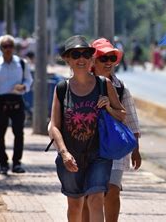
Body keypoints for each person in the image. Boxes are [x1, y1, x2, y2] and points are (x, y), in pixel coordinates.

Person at [48, 35, 126, 221]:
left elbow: (122, 115)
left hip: (99, 154)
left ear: (91, 57)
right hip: (71, 155)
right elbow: (54, 126)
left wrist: (108, 106)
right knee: (75, 205)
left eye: (85, 54)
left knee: (96, 199)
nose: (81, 59)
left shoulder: (103, 84)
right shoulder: (62, 89)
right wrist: (64, 153)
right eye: (76, 55)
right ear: (68, 59)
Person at [84, 38, 142, 222]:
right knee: (88, 195)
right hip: (88, 147)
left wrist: (136, 150)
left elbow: (130, 119)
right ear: (93, 60)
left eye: (112, 58)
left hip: (114, 147)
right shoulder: (81, 85)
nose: (108, 62)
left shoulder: (120, 88)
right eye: (103, 58)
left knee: (112, 189)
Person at [0, 34, 33, 175]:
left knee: (19, 133)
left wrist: (24, 87)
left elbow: (29, 80)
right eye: (5, 46)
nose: (8, 49)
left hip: (17, 100)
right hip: (0, 101)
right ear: (0, 48)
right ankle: (3, 164)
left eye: (10, 46)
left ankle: (17, 163)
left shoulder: (22, 63)